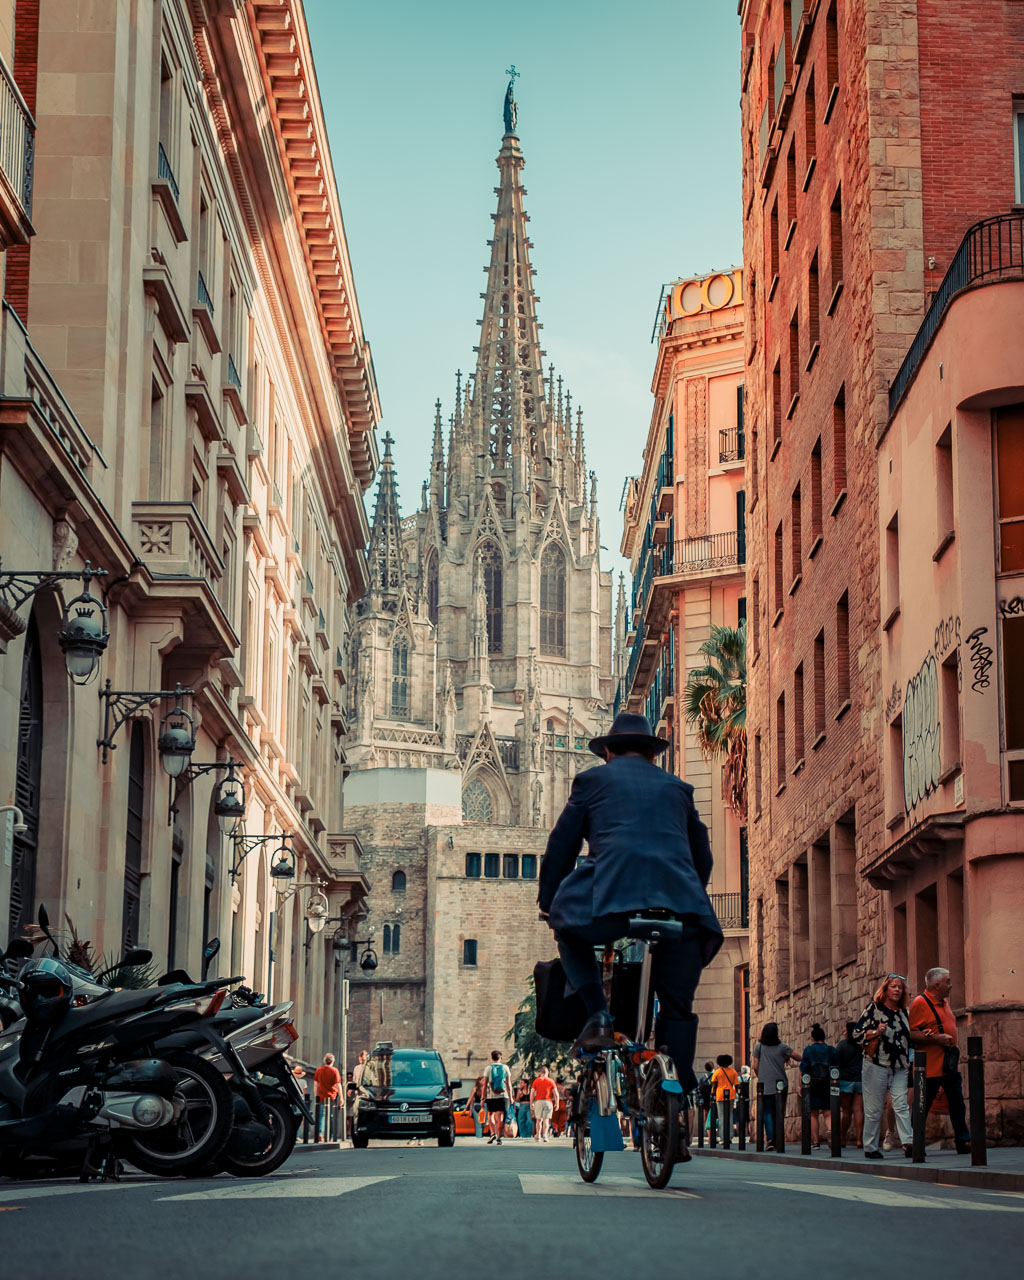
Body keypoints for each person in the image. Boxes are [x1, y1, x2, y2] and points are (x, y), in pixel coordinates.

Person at [538, 713, 724, 1117]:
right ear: (653, 756)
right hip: (682, 910)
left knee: (567, 931)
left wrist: (549, 901)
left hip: (611, 904)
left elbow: (561, 848)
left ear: (607, 751)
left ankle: (599, 1014)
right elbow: (702, 856)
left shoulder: (591, 782)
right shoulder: (679, 789)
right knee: (677, 1007)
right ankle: (673, 1096)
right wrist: (688, 894)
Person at [909, 966, 971, 1155]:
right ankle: (914, 1143)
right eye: (948, 981)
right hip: (929, 1066)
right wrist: (935, 1039)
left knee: (957, 1103)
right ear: (937, 985)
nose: (951, 985)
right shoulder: (920, 1003)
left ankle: (963, 1141)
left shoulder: (944, 1002)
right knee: (922, 1106)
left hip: (948, 1064)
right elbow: (910, 1034)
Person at [852, 973, 914, 1159]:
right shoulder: (874, 1008)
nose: (897, 990)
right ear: (886, 989)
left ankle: (908, 1142)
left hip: (900, 1066)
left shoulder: (904, 1013)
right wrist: (874, 1032)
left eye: (900, 987)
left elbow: (907, 1037)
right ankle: (870, 1146)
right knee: (874, 1108)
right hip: (876, 1064)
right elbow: (856, 1034)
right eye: (893, 986)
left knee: (901, 1104)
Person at [751, 1023, 801, 1149]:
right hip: (781, 1084)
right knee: (779, 1111)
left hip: (765, 1085)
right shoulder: (782, 1047)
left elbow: (755, 1066)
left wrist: (761, 1076)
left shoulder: (759, 1047)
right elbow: (799, 1057)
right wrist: (785, 1057)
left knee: (767, 1112)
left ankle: (770, 1139)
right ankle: (779, 1139)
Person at [799, 1023, 836, 1148]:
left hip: (812, 1084)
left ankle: (815, 1142)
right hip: (827, 1083)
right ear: (824, 1037)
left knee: (813, 1113)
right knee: (828, 1112)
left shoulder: (808, 1050)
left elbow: (804, 1069)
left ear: (812, 1038)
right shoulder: (831, 1050)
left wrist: (801, 1085)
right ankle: (830, 1131)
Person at [835, 1022, 864, 1148]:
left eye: (845, 1030)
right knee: (858, 1110)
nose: (844, 1032)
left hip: (846, 1080)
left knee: (846, 1111)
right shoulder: (862, 1045)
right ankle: (859, 1140)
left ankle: (842, 1138)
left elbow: (836, 1062)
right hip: (860, 1080)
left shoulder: (842, 1045)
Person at [485, 1050, 513, 1145]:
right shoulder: (505, 1068)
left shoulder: (488, 1068)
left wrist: (482, 1097)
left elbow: (484, 1084)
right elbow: (509, 1084)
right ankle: (499, 1138)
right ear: (500, 1058)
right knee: (500, 1117)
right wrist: (511, 1097)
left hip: (491, 1096)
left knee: (490, 1115)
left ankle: (492, 1133)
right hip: (502, 1095)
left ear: (492, 1058)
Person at [710, 1053, 740, 1139]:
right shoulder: (733, 1071)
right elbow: (736, 1085)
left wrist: (712, 1095)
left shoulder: (717, 1072)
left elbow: (714, 1086)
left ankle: (723, 1137)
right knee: (730, 1115)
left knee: (721, 1116)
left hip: (720, 1096)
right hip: (731, 1095)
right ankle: (730, 1136)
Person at [313, 1052, 341, 1142]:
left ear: (324, 1061)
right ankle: (330, 1136)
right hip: (332, 1097)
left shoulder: (319, 1070)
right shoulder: (334, 1071)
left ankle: (320, 1133)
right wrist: (341, 1097)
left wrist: (316, 1096)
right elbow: (338, 1084)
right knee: (331, 1117)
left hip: (321, 1096)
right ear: (333, 1061)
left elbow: (316, 1084)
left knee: (321, 1116)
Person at [530, 1064, 558, 1142]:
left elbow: (532, 1093)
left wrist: (531, 1103)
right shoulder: (551, 1081)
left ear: (540, 1072)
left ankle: (538, 1135)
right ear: (547, 1072)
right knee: (546, 1120)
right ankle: (545, 1136)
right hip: (548, 1101)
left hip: (538, 1101)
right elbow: (556, 1093)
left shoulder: (536, 1081)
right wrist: (557, 1103)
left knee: (539, 1120)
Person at [466, 1074, 488, 1138]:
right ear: (479, 1081)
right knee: (478, 1123)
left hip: (485, 1106)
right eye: (483, 1080)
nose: (484, 1081)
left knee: (483, 1122)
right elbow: (471, 1099)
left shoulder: (487, 1088)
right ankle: (479, 1137)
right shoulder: (475, 1089)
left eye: (485, 1080)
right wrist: (468, 1108)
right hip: (476, 1106)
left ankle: (480, 1134)